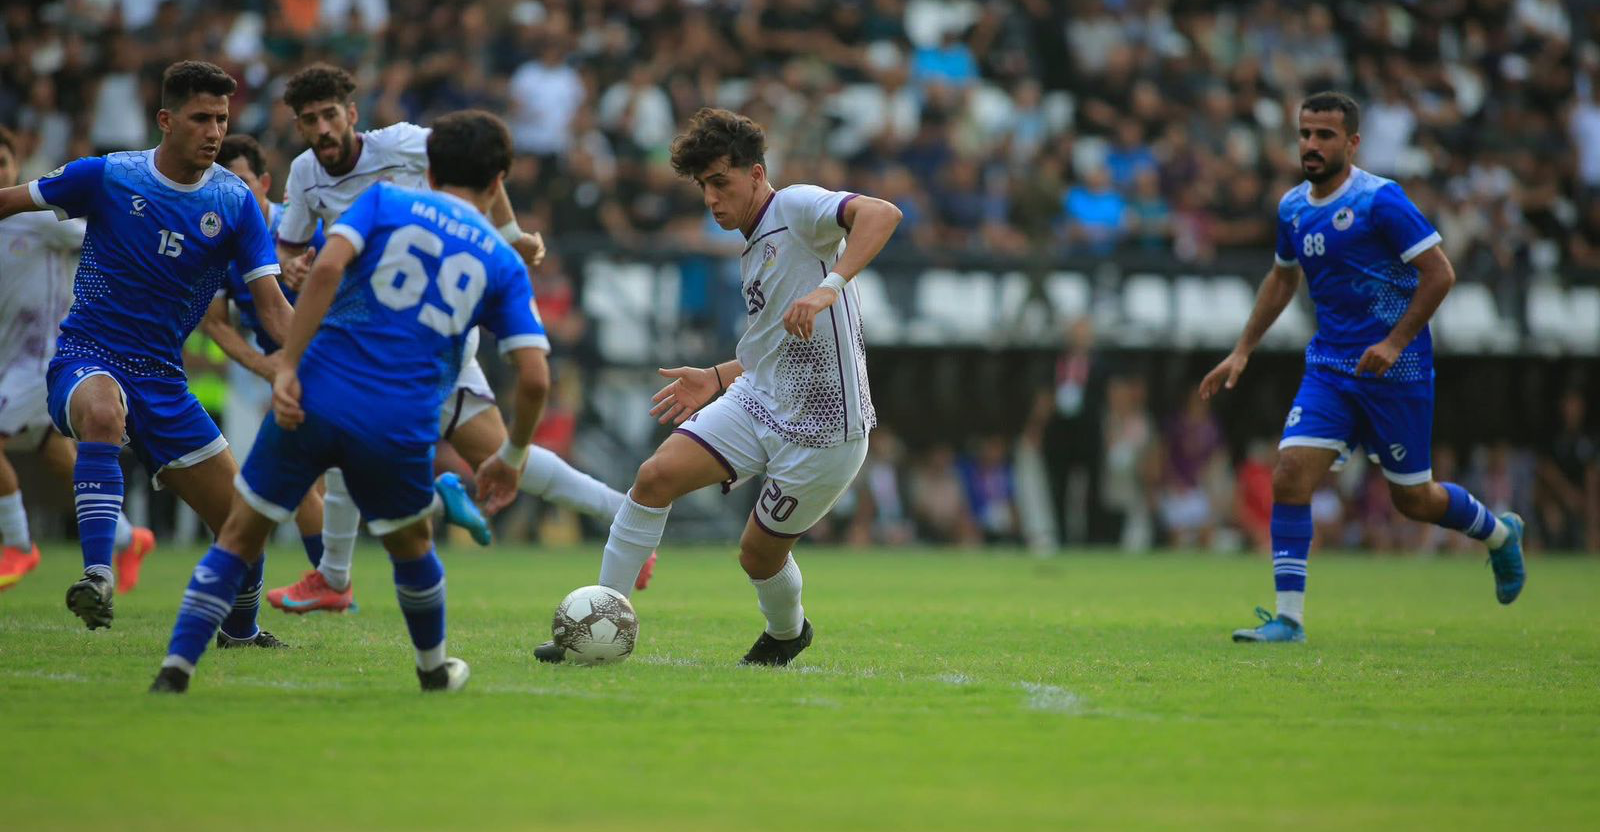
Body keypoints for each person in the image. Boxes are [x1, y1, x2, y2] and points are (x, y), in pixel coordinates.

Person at [151, 110, 552, 693]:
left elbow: (326, 270)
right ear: (498, 182)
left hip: (316, 394)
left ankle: (176, 669)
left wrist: (289, 366)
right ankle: (433, 669)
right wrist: (511, 457)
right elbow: (535, 379)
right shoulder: (502, 261)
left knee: (240, 534)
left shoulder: (383, 201)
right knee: (412, 548)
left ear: (430, 171)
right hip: (399, 420)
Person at [268, 64, 645, 613]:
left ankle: (348, 567)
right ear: (299, 126)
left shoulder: (400, 148)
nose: (323, 128)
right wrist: (291, 265)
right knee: (497, 455)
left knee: (347, 436)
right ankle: (621, 513)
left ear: (351, 114)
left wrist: (511, 235)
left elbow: (479, 166)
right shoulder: (305, 174)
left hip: (412, 333)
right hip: (384, 332)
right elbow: (291, 247)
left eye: (330, 115)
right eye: (310, 120)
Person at [535, 108, 902, 666]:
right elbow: (774, 349)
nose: (710, 198)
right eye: (703, 186)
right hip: (761, 400)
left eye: (720, 182)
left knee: (757, 556)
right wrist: (714, 377)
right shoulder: (754, 245)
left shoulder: (796, 206)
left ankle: (787, 632)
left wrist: (830, 287)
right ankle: (597, 618)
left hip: (826, 431)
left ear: (756, 174)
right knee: (654, 477)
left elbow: (882, 213)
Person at [1200, 91, 1525, 644]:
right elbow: (1282, 278)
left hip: (1396, 372)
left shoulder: (1381, 200)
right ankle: (1288, 619)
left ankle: (1499, 534)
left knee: (1413, 499)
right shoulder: (1293, 208)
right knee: (1289, 473)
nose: (1311, 145)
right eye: (1305, 134)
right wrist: (1243, 348)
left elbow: (1440, 273)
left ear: (1351, 143)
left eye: (1325, 135)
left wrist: (1395, 343)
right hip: (1330, 367)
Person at [0, 61, 293, 637]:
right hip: (87, 356)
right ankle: (97, 576)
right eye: (201, 118)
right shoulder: (108, 175)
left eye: (222, 119)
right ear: (165, 119)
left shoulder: (235, 203)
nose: (215, 131)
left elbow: (274, 309)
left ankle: (241, 632)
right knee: (102, 412)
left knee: (244, 526)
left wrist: (323, 361)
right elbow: (8, 200)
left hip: (163, 380)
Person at [0, 127, 155, 593]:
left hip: (44, 357)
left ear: (16, 167)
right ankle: (129, 539)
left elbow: (103, 237)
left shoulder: (40, 220)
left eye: (2, 163)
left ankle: (18, 543)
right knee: (59, 459)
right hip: (8, 360)